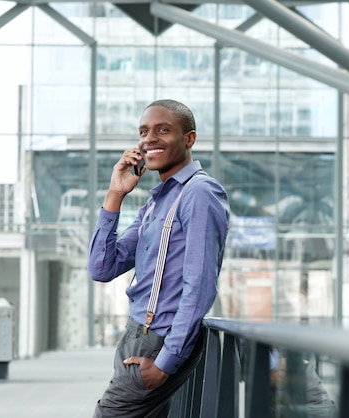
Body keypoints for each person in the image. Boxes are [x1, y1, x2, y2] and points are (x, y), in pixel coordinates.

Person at [88, 99, 230, 417]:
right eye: (144, 131)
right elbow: (102, 267)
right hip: (137, 336)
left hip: (157, 344)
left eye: (162, 130)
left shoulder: (200, 193)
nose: (149, 139)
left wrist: (166, 363)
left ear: (189, 139)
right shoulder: (156, 202)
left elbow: (200, 284)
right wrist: (115, 194)